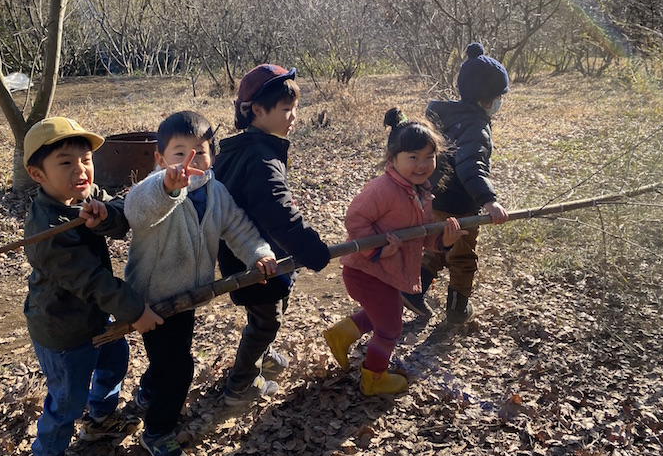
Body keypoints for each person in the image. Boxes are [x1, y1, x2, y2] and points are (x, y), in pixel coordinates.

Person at [124, 110, 277, 456]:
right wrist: (166, 187)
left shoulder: (216, 191)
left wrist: (259, 253)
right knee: (179, 367)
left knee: (169, 356)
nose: (192, 161)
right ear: (160, 159)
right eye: (180, 153)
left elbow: (237, 227)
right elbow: (137, 209)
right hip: (154, 299)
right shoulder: (154, 189)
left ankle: (149, 392)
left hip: (188, 296)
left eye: (202, 151)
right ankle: (158, 432)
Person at [23, 117, 162, 456]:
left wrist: (106, 214)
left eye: (86, 159)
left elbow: (120, 214)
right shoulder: (47, 229)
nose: (81, 169)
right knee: (68, 400)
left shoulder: (84, 194)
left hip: (98, 317)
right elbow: (91, 280)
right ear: (38, 174)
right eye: (66, 163)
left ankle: (100, 419)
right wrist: (135, 310)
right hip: (63, 330)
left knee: (113, 365)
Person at [323, 108, 466, 395]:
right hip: (368, 270)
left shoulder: (420, 190)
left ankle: (341, 334)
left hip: (387, 272)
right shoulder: (383, 189)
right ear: (393, 159)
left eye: (429, 157)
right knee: (390, 329)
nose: (422, 164)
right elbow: (355, 219)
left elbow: (423, 234)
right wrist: (376, 250)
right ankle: (373, 378)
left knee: (389, 310)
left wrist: (444, 242)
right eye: (413, 157)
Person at [214, 64, 331, 407]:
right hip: (256, 257)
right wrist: (312, 248)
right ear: (257, 111)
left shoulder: (241, 149)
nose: (293, 116)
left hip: (253, 253)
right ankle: (241, 384)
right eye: (286, 109)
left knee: (267, 312)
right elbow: (278, 213)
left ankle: (261, 354)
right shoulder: (260, 157)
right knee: (268, 318)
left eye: (294, 108)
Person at [401, 42, 510, 325]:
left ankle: (415, 292)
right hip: (461, 206)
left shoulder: (445, 115)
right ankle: (457, 309)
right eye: (497, 97)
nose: (499, 103)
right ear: (485, 100)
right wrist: (488, 200)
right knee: (462, 256)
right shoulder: (477, 127)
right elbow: (470, 166)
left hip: (433, 197)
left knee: (437, 246)